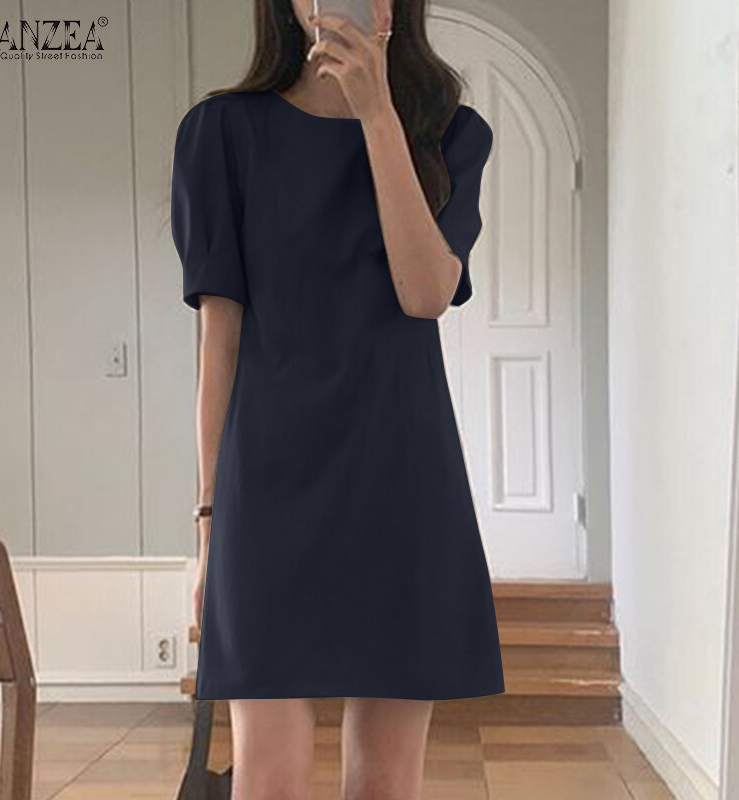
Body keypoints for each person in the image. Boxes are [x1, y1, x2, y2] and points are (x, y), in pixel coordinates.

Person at [170, 0, 504, 797]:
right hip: (267, 485)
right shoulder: (221, 132)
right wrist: (211, 525)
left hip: (400, 475)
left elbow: (425, 292)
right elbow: (220, 340)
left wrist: (377, 115)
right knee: (270, 780)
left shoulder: (452, 134)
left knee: (385, 782)